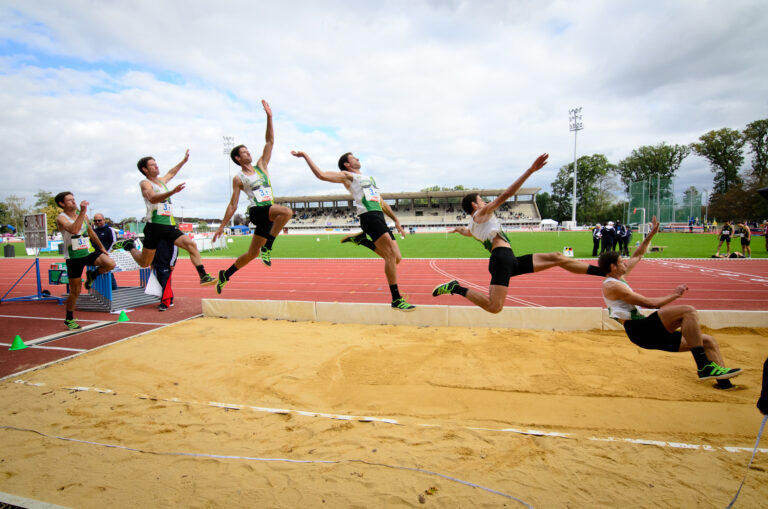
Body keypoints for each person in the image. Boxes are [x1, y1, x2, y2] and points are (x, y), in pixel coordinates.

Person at [431, 154, 606, 313]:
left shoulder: (474, 225)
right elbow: (506, 195)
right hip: (501, 259)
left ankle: (605, 273)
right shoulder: (481, 214)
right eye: (482, 200)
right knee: (495, 306)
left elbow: (466, 231)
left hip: (509, 259)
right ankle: (456, 288)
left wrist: (457, 229)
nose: (485, 202)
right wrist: (530, 170)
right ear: (474, 206)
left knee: (558, 257)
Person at [599, 216, 741, 387]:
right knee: (687, 311)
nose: (626, 263)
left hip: (647, 332)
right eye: (622, 262)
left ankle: (724, 383)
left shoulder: (619, 277)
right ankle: (703, 366)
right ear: (613, 267)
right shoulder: (612, 286)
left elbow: (639, 254)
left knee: (708, 341)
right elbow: (650, 304)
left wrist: (651, 234)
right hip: (639, 330)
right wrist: (675, 294)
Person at [291, 150, 415, 311]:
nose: (357, 158)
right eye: (353, 158)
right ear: (347, 164)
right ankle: (396, 299)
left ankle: (362, 241)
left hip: (379, 216)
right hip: (369, 216)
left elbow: (382, 203)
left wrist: (396, 220)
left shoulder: (369, 179)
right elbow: (321, 175)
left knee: (396, 258)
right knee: (390, 255)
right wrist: (306, 156)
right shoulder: (348, 176)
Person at [212, 100, 293, 294]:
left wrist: (269, 117)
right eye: (244, 152)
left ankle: (226, 275)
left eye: (248, 151)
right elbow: (233, 205)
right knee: (287, 212)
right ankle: (269, 247)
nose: (249, 153)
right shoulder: (238, 178)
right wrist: (222, 226)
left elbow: (269, 142)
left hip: (269, 213)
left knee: (251, 254)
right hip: (257, 211)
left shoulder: (262, 166)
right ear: (238, 159)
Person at [123, 150, 216, 286]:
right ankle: (129, 245)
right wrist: (172, 191)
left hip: (168, 226)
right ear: (145, 169)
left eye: (156, 164)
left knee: (191, 245)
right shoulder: (145, 183)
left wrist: (183, 162)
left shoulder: (161, 181)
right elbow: (153, 198)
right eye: (152, 165)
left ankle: (203, 275)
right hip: (154, 226)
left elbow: (172, 173)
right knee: (145, 263)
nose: (156, 166)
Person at [54, 192, 116, 330]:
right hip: (73, 257)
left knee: (110, 263)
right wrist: (82, 211)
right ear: (62, 204)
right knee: (75, 291)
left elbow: (91, 233)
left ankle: (92, 275)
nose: (73, 202)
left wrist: (101, 248)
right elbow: (75, 230)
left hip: (87, 252)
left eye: (73, 199)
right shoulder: (61, 218)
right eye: (69, 200)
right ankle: (69, 318)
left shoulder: (84, 217)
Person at [92, 213, 119, 290]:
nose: (97, 222)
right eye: (95, 220)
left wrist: (106, 253)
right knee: (97, 274)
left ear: (104, 220)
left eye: (99, 220)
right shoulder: (94, 231)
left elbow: (113, 242)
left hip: (107, 256)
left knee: (109, 274)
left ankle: (114, 290)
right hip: (96, 257)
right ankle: (100, 291)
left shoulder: (110, 230)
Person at [152, 238, 178, 311]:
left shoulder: (171, 235)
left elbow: (175, 250)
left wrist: (172, 263)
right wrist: (152, 262)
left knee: (165, 284)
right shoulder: (156, 235)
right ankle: (170, 300)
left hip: (166, 264)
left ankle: (165, 303)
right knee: (162, 283)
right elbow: (153, 249)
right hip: (158, 263)